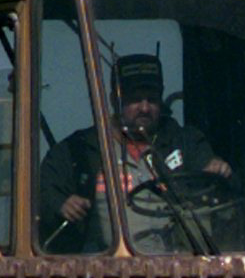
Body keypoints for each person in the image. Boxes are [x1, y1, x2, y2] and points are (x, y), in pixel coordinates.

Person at [37, 53, 232, 253]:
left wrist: (217, 170)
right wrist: (61, 204)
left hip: (175, 264)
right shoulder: (80, 149)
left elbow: (215, 186)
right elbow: (41, 192)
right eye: (135, 99)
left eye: (152, 99)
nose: (144, 108)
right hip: (103, 266)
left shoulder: (186, 142)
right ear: (115, 100)